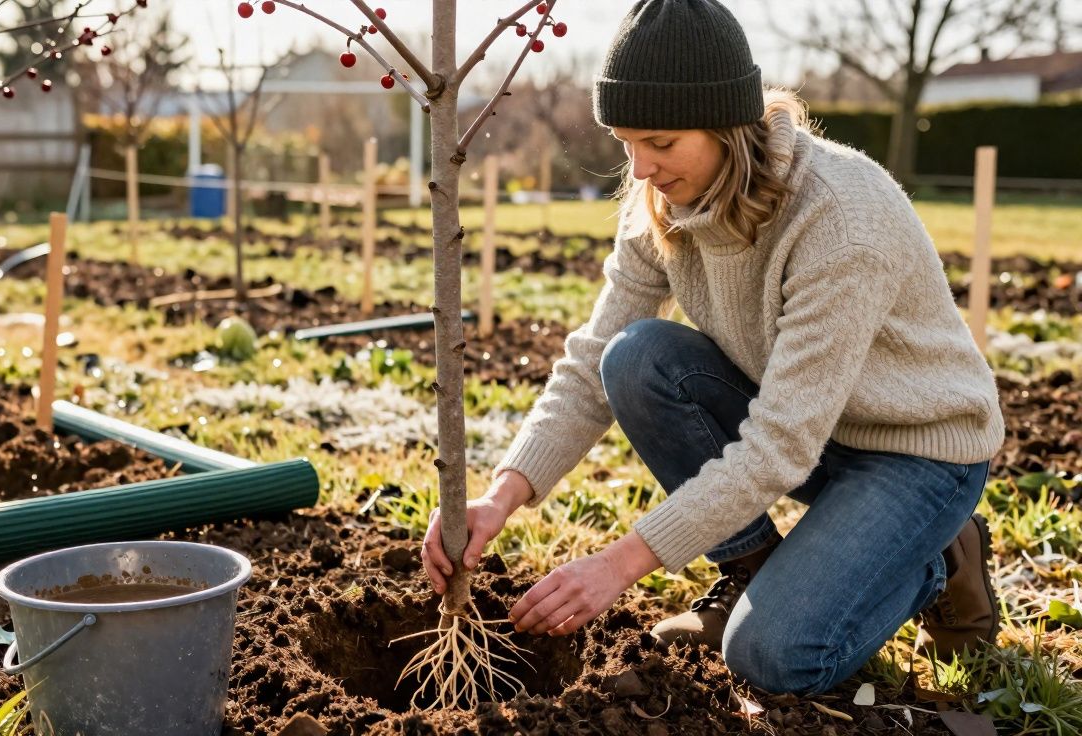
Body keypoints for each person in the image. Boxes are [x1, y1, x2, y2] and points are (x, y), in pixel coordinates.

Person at [419, 0, 1005, 695]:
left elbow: (781, 443)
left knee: (772, 658)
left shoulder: (841, 219)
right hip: (813, 431)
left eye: (660, 143)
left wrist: (621, 562)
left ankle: (939, 557)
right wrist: (500, 496)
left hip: (917, 454)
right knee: (634, 359)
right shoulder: (663, 207)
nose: (640, 169)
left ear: (729, 124)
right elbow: (590, 365)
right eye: (626, 141)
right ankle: (751, 571)